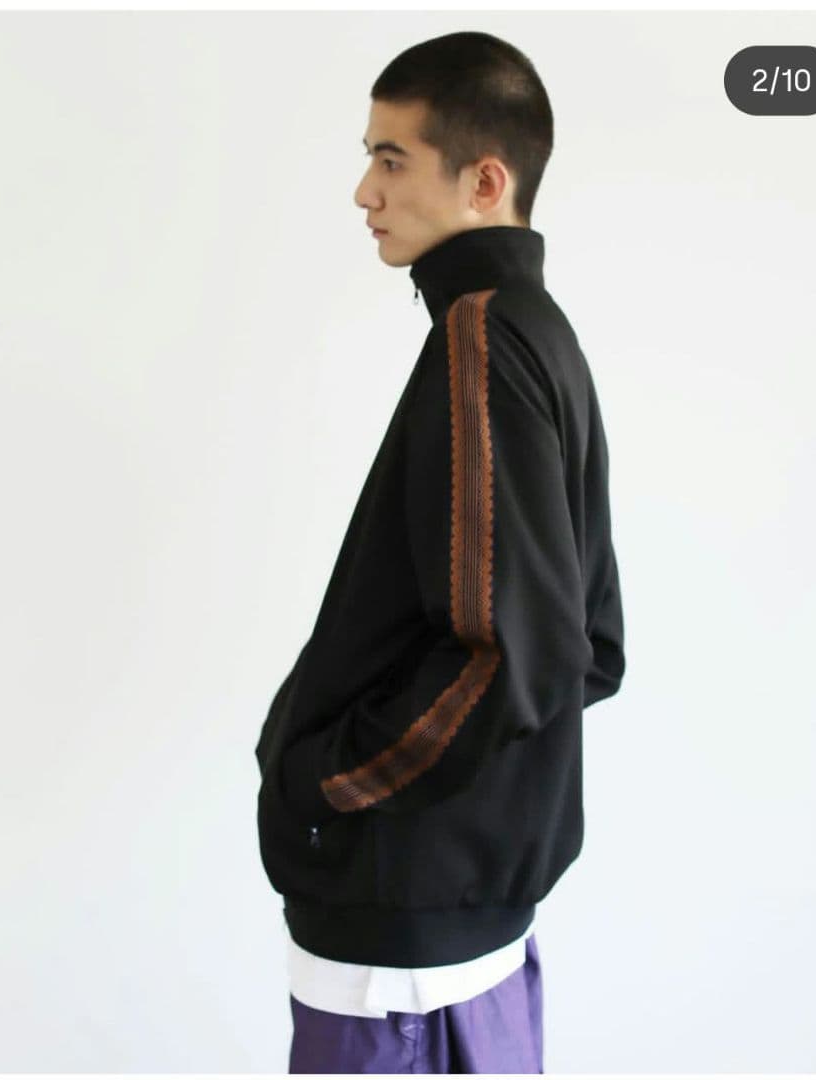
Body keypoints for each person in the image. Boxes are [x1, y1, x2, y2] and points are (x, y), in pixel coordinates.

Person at [254, 29, 626, 1074]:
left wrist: (322, 779)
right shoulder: (540, 332)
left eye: (391, 159)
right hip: (467, 924)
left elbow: (508, 656)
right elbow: (589, 643)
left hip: (398, 947)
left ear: (484, 181)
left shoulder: (481, 338)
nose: (364, 192)